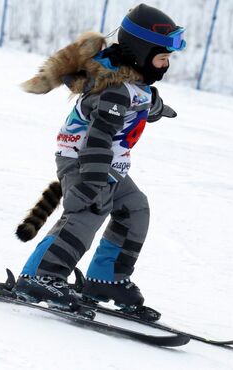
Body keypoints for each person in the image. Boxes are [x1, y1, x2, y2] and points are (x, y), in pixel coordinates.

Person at [11, 4, 186, 316]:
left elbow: (146, 102)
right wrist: (91, 182)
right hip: (85, 162)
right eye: (162, 58)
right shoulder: (113, 92)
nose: (165, 66)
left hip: (111, 166)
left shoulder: (137, 86)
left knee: (135, 209)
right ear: (141, 54)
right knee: (89, 208)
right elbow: (98, 138)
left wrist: (161, 110)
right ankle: (39, 276)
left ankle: (106, 279)